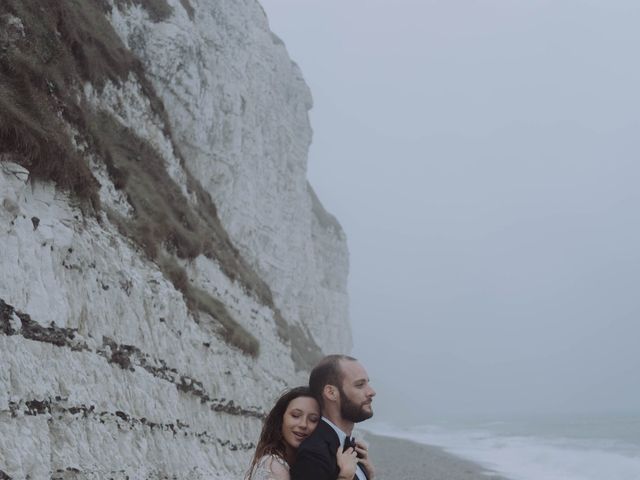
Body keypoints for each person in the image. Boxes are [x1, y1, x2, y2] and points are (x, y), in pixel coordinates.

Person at [246, 386, 363, 480]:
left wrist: (366, 473)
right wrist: (344, 477)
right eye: (295, 415)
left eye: (313, 419)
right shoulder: (273, 466)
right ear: (281, 419)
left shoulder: (309, 463)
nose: (303, 424)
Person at [290, 355, 376, 480]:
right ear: (331, 393)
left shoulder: (352, 450)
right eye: (359, 385)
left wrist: (370, 476)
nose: (371, 392)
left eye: (368, 383)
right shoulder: (313, 454)